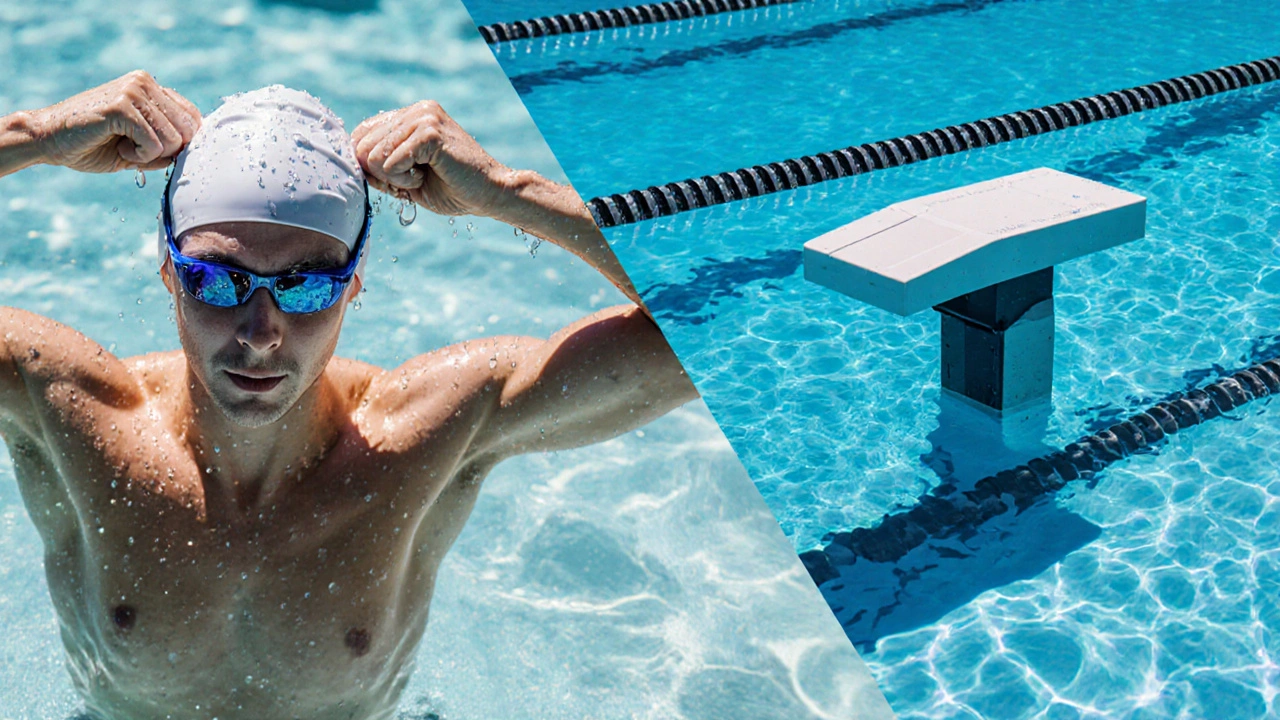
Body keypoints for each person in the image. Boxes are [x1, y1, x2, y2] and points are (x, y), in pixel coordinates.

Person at [0, 71, 697, 720]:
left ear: (354, 287)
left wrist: (505, 189)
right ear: (166, 271)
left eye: (306, 288)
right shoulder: (74, 410)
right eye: (217, 281)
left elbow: (713, 337)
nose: (261, 332)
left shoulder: (428, 432)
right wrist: (30, 138)